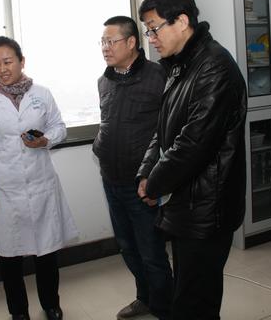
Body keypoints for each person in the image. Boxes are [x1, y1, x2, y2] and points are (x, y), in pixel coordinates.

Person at [136, 0, 247, 320]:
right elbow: (163, 129)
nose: (151, 39)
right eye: (148, 31)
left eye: (154, 28)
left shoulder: (214, 67)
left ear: (182, 21)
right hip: (187, 204)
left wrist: (154, 184)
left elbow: (193, 144)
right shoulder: (180, 65)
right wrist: (146, 170)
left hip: (207, 208)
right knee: (187, 295)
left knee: (194, 303)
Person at [0, 36, 78, 320]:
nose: (2, 69)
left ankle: (51, 304)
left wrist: (45, 140)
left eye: (7, 62)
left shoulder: (42, 94)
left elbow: (59, 127)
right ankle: (18, 312)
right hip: (4, 190)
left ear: (21, 62)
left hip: (41, 185)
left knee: (47, 252)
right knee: (9, 256)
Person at [92, 16, 173, 319]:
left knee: (151, 251)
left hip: (141, 183)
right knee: (127, 247)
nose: (105, 47)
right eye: (102, 42)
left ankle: (165, 309)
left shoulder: (158, 76)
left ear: (131, 43)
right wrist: (99, 146)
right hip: (111, 179)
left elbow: (167, 131)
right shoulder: (104, 81)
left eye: (110, 41)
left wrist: (155, 176)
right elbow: (108, 122)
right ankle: (145, 298)